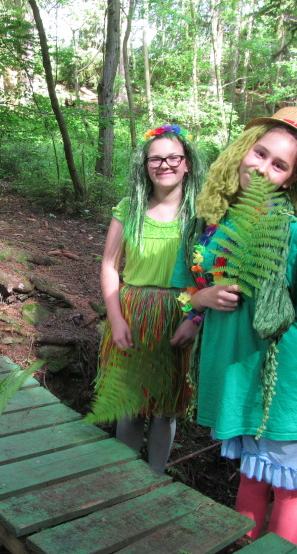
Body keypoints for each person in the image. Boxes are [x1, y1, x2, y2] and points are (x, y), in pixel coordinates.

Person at [170, 107, 297, 545]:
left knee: (289, 487)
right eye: (260, 153)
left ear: (291, 179)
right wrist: (201, 300)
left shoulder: (296, 234)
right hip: (239, 377)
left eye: (280, 165)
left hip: (288, 381)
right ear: (243, 152)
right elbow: (183, 290)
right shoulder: (208, 225)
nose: (264, 168)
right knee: (252, 475)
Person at [90, 124, 204, 473]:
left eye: (173, 157)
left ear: (187, 163)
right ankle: (126, 478)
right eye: (155, 159)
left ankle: (154, 478)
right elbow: (110, 266)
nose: (164, 164)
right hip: (133, 313)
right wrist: (116, 318)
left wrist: (195, 320)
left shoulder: (201, 212)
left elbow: (215, 274)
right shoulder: (130, 208)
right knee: (129, 405)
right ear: (145, 165)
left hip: (180, 316)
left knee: (166, 408)